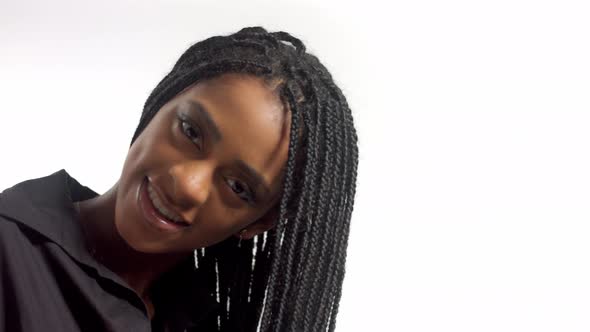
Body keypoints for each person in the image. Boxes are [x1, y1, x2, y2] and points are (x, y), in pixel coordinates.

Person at [0, 26, 358, 332]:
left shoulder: (199, 320)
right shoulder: (10, 255)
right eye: (190, 131)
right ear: (161, 102)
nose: (187, 184)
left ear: (258, 222)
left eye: (238, 187)